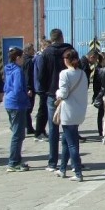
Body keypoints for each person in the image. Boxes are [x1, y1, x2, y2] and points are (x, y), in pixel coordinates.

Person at [37, 29, 73, 172]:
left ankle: (52, 162)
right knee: (69, 127)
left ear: (51, 39)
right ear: (61, 37)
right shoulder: (69, 50)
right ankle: (70, 159)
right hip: (68, 94)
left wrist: (46, 89)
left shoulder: (46, 53)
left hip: (52, 94)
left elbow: (41, 75)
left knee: (53, 129)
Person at [55, 49, 88, 181]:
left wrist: (57, 93)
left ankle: (78, 172)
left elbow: (63, 93)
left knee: (72, 144)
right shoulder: (82, 74)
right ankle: (63, 169)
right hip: (79, 110)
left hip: (68, 111)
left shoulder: (64, 74)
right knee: (66, 141)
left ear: (67, 60)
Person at [3, 47, 31, 172]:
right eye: (22, 58)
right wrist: (26, 96)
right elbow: (18, 88)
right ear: (18, 58)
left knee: (17, 132)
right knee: (18, 134)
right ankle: (13, 162)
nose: (24, 60)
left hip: (9, 101)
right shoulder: (18, 71)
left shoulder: (8, 69)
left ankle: (16, 160)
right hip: (17, 103)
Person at [32, 39, 51, 141]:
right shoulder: (41, 58)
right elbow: (41, 74)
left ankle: (42, 131)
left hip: (41, 86)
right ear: (43, 47)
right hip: (42, 87)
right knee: (43, 110)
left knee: (44, 109)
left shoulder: (41, 57)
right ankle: (38, 132)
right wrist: (45, 85)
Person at [22, 43, 36, 135]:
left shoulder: (25, 60)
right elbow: (28, 75)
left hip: (28, 86)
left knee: (28, 108)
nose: (33, 51)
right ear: (27, 50)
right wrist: (29, 88)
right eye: (32, 49)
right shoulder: (28, 61)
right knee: (28, 108)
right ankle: (28, 127)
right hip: (29, 87)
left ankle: (27, 126)